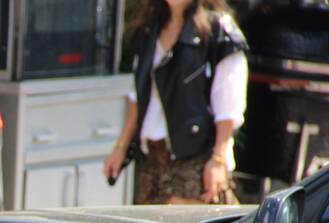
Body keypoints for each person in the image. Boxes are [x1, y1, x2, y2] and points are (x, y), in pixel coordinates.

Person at [103, 0, 249, 204]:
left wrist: (218, 160)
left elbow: (229, 104)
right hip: (153, 160)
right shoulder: (151, 28)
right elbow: (138, 94)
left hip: (196, 160)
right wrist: (121, 147)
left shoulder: (218, 31)